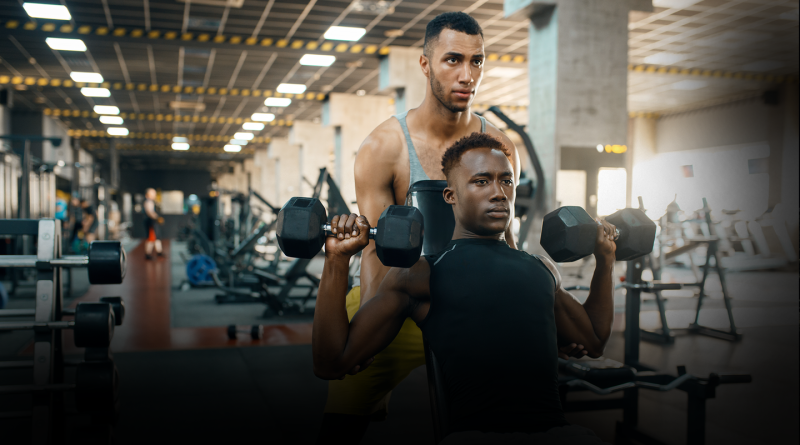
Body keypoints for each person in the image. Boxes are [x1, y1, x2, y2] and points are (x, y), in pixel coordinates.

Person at [319, 11, 588, 442]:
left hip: (473, 301)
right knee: (342, 410)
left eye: (477, 61)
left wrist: (537, 320)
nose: (467, 75)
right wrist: (375, 319)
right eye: (453, 60)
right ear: (425, 64)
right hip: (398, 290)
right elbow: (375, 250)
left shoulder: (498, 145)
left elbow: (508, 240)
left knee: (510, 412)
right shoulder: (384, 146)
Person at [314, 133, 617, 444]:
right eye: (482, 181)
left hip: (557, 435)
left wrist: (605, 261)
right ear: (451, 195)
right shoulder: (420, 275)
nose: (499, 193)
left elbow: (593, 341)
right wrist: (336, 260)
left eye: (506, 181)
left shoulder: (541, 269)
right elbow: (331, 362)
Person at [143, 188, 164, 260]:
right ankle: (148, 254)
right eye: (153, 193)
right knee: (151, 238)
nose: (154, 195)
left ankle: (159, 252)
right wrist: (157, 217)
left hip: (153, 222)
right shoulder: (148, 202)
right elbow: (150, 212)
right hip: (150, 222)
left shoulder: (151, 201)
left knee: (157, 237)